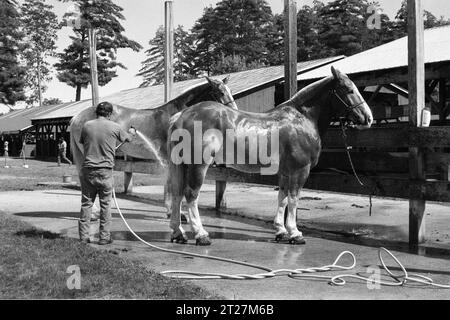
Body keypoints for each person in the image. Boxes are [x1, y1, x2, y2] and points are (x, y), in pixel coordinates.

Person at [78, 102, 136, 245]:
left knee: (86, 204)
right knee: (105, 205)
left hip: (88, 170)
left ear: (96, 112)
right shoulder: (115, 127)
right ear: (109, 114)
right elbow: (128, 139)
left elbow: (82, 141)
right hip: (105, 171)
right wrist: (132, 132)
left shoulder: (86, 126)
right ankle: (104, 237)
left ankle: (84, 237)